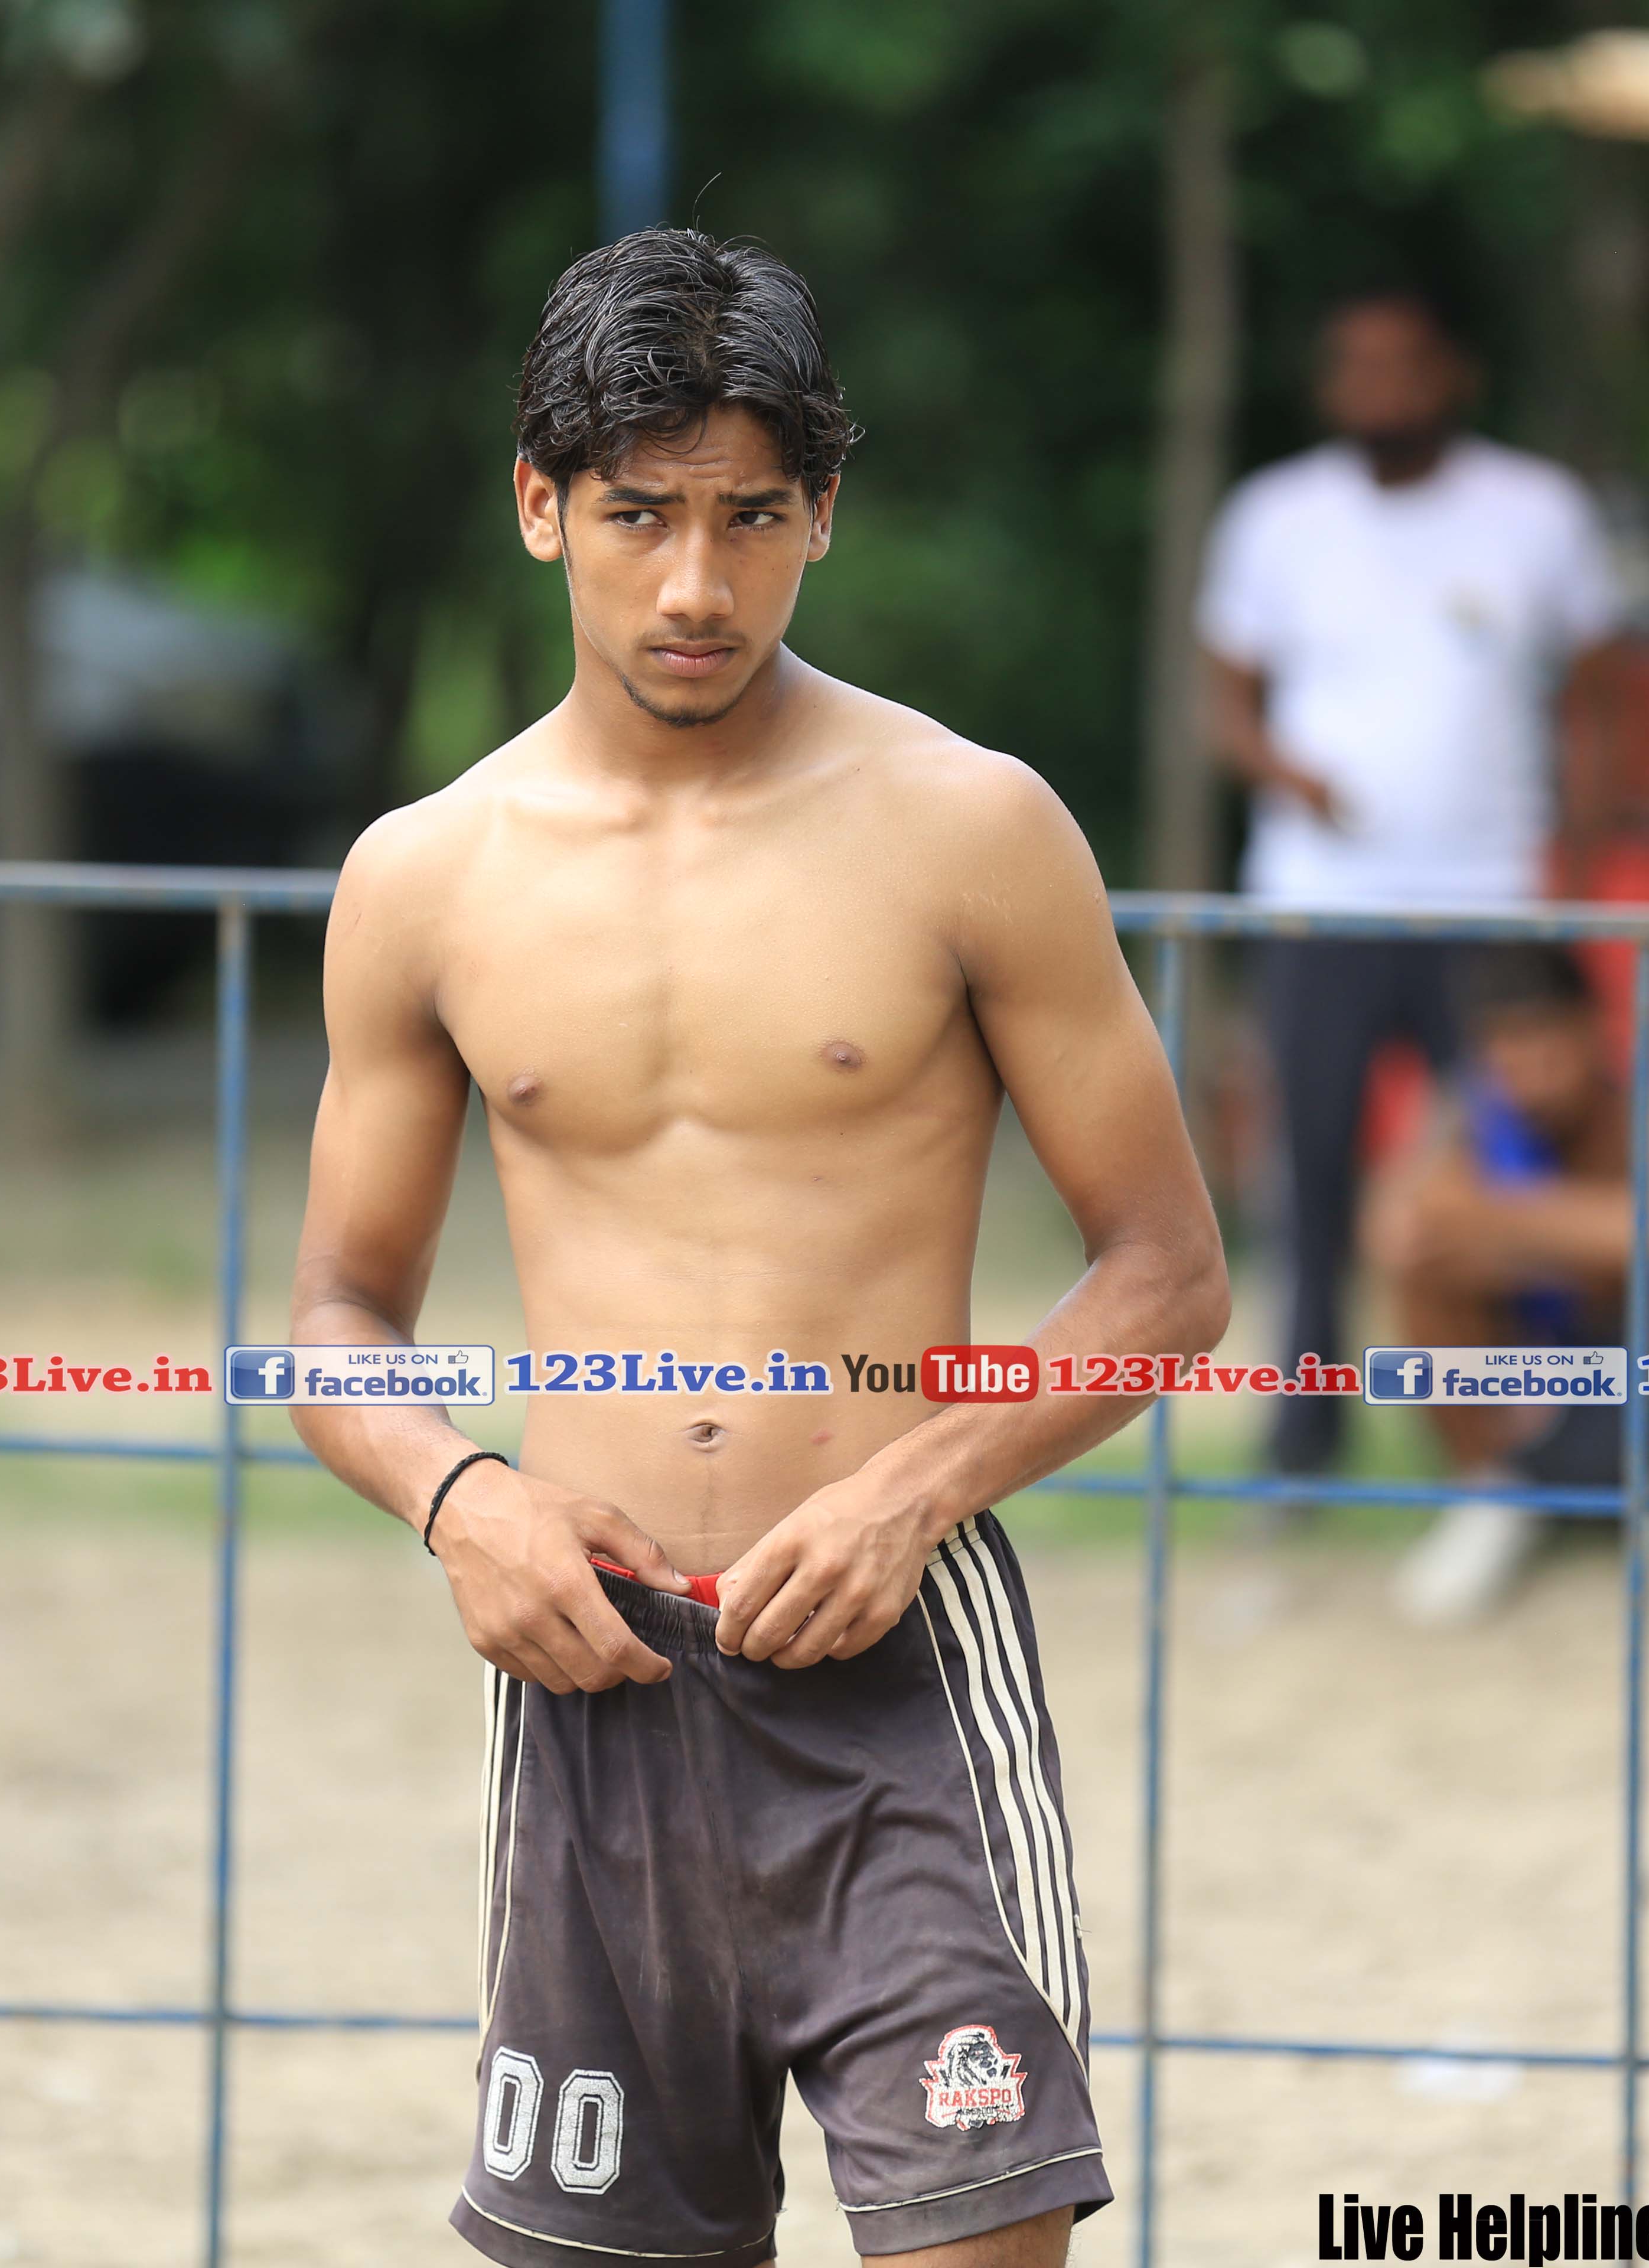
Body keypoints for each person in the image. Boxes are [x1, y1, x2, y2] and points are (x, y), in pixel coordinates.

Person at [286, 229, 1228, 2268]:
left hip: (898, 1677)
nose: (696, 585)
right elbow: (336, 1319)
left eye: (750, 518)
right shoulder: (425, 876)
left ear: (823, 513)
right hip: (594, 1680)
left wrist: (915, 1488)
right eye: (640, 515)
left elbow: (1167, 1271)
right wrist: (460, 1498)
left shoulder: (971, 825)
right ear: (541, 507)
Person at [1196, 284, 1630, 1488]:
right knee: (1310, 1175)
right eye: (1357, 366)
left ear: (1455, 375)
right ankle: (1306, 1434)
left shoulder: (1537, 511)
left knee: (1516, 1171)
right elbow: (1223, 700)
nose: (1381, 387)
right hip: (1317, 901)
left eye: (1405, 363)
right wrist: (1287, 771)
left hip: (1489, 901)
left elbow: (1601, 702)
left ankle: (1535, 1436)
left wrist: (1577, 874)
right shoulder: (1276, 516)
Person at [1360, 944, 1649, 1624]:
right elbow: (1396, 1233)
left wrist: (1493, 1221)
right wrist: (1624, 1236)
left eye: (1551, 1049)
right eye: (1513, 1055)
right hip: (1523, 1377)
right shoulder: (1460, 1113)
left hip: (1642, 1381)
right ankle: (1486, 1498)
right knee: (1424, 1278)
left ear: (1593, 1030)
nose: (1536, 1079)